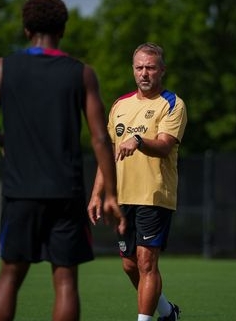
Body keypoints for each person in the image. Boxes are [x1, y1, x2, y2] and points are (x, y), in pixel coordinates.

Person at [0, 1, 123, 320]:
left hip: (19, 192)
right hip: (65, 193)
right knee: (66, 280)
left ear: (26, 30)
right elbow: (99, 138)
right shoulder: (81, 73)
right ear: (63, 30)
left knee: (10, 275)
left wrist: (6, 141)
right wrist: (111, 193)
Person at [88, 42, 187, 321]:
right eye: (139, 67)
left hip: (154, 195)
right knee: (129, 265)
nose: (144, 73)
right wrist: (97, 194)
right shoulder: (120, 105)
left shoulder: (172, 104)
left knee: (146, 262)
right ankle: (167, 312)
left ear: (162, 70)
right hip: (122, 196)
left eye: (151, 68)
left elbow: (165, 146)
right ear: (133, 70)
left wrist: (140, 141)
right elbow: (106, 153)